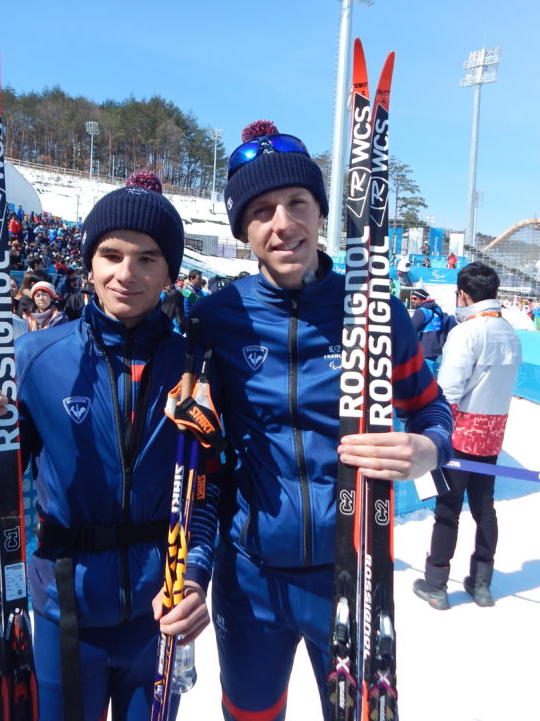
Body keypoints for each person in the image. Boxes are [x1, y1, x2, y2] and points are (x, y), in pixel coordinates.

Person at [190, 120, 454, 721]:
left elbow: (433, 409)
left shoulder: (376, 309)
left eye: (296, 204)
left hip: (355, 566)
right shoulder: (216, 317)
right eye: (261, 212)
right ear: (244, 230)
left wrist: (429, 450)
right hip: (250, 574)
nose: (282, 223)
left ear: (320, 213)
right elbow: (200, 448)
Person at [0, 170, 216, 721]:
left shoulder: (194, 366)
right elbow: (0, 487)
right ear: (89, 262)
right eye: (111, 254)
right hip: (67, 607)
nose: (126, 274)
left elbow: (204, 491)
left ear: (170, 273)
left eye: (147, 258)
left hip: (158, 608)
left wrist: (196, 574)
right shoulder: (37, 358)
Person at [412, 262, 522, 610]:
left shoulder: (466, 331)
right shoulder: (509, 331)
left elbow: (449, 389)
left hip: (459, 434)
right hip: (491, 434)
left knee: (448, 508)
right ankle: (482, 583)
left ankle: (436, 583)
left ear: (463, 294)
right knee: (484, 508)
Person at [409, 287, 451, 372]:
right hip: (437, 345)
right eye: (411, 298)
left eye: (414, 298)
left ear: (421, 299)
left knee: (426, 373)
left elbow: (411, 329)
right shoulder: (436, 309)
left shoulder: (421, 311)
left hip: (425, 348)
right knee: (433, 370)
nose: (412, 301)